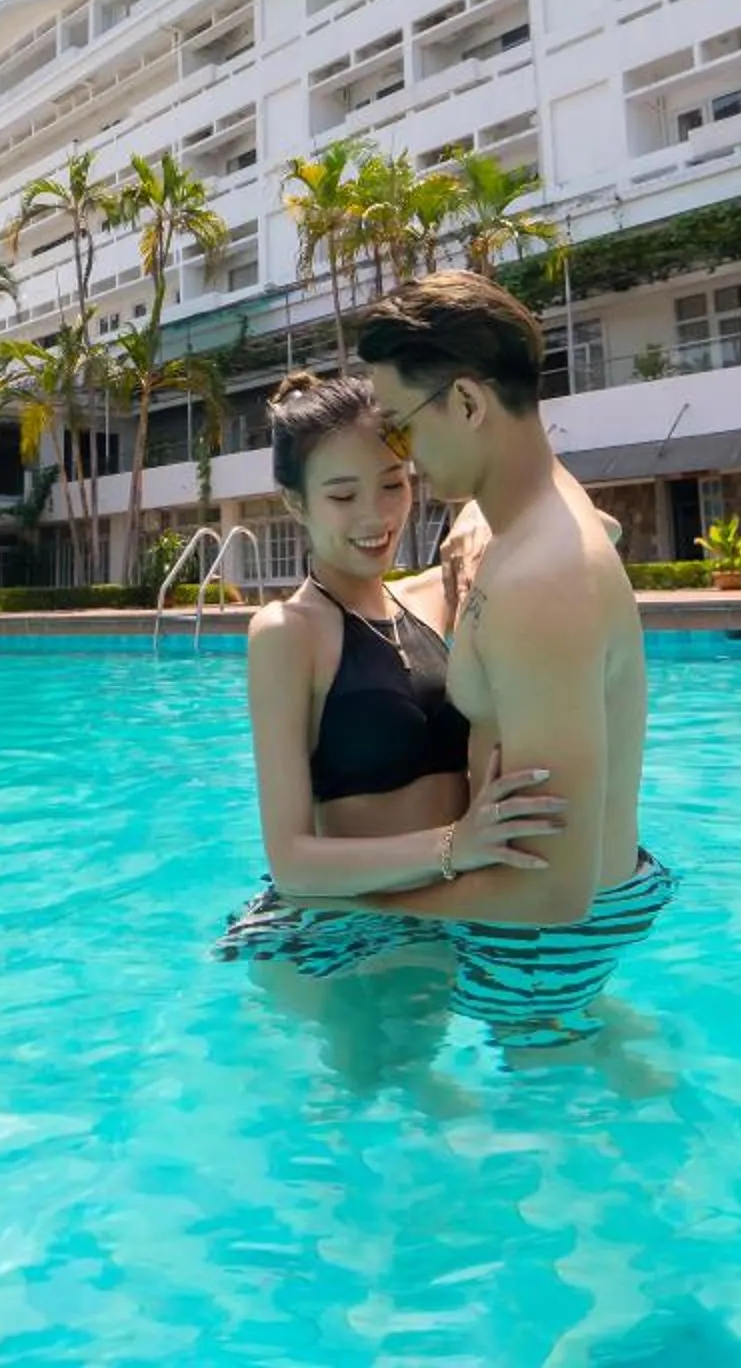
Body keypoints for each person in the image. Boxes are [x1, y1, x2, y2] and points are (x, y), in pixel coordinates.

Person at [337, 271, 670, 1057]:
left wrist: (367, 897)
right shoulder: (520, 511)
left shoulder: (542, 580)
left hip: (547, 940)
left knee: (539, 1146)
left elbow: (554, 888)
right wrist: (466, 544)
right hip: (567, 907)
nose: (403, 456)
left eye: (400, 428)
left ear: (466, 404)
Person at [211, 374, 565, 1071]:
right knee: (379, 1111)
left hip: (442, 916)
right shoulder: (287, 633)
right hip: (342, 930)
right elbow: (291, 859)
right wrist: (453, 846)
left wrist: (476, 518)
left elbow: (576, 523)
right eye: (342, 496)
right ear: (296, 504)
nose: (375, 515)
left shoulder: (436, 599)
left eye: (394, 484)